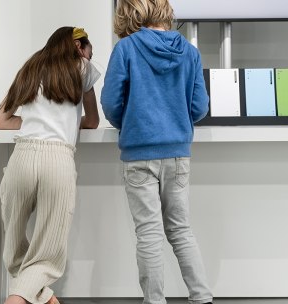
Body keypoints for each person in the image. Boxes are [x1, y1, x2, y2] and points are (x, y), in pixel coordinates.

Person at [101, 1, 213, 304]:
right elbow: (199, 107)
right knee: (181, 231)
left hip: (139, 155)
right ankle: (202, 298)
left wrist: (132, 121)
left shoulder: (126, 49)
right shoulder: (190, 52)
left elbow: (111, 103)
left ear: (129, 12)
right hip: (178, 154)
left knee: (149, 234)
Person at [0, 26, 101, 304]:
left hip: (22, 157)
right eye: (90, 49)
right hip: (57, 159)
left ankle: (46, 299)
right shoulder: (83, 67)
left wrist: (34, 122)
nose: (92, 55)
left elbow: (2, 121)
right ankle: (16, 300)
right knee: (47, 256)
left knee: (14, 248)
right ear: (80, 47)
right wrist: (62, 124)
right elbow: (92, 121)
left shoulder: (30, 67)